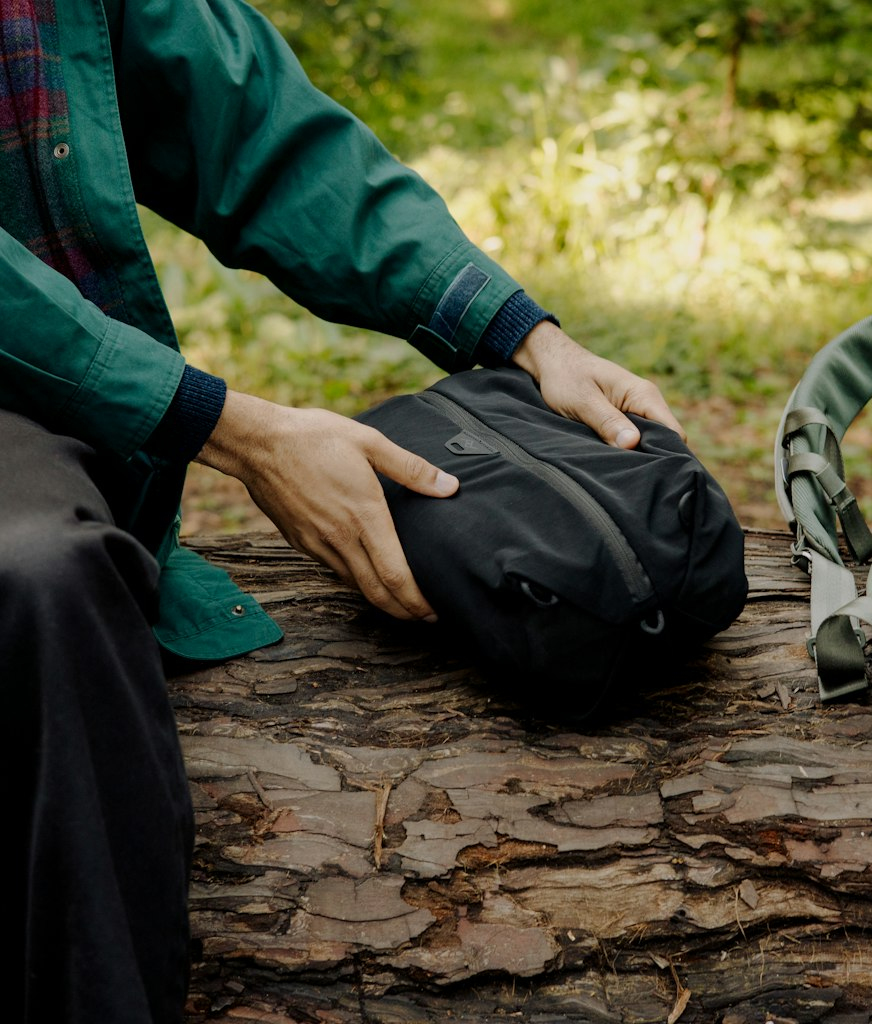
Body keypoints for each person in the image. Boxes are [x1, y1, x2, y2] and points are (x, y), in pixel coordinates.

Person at [3, 1, 684, 1021]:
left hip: (49, 415)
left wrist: (523, 335)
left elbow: (262, 135)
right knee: (37, 576)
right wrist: (235, 430)